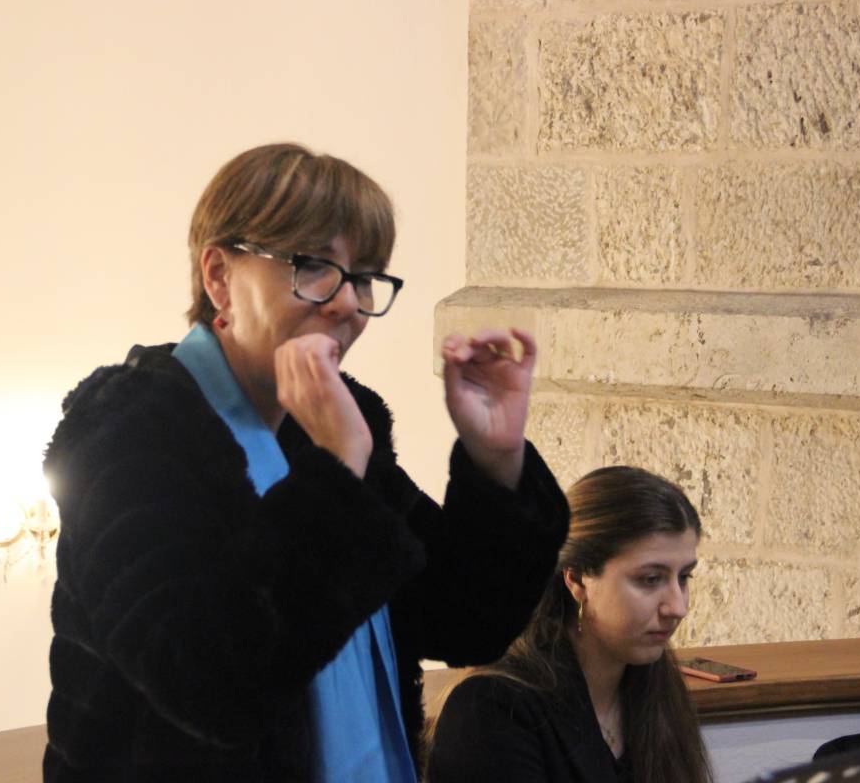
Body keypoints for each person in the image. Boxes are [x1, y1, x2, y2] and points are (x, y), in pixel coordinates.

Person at [42, 143, 570, 782]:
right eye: (314, 266)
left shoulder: (333, 426)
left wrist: (496, 457)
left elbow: (464, 621)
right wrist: (336, 469)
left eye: (365, 276)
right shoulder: (129, 430)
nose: (348, 303)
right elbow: (204, 684)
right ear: (219, 277)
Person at [427, 466, 713, 783]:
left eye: (684, 577)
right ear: (577, 579)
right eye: (650, 579)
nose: (678, 607)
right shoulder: (492, 708)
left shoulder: (654, 686)